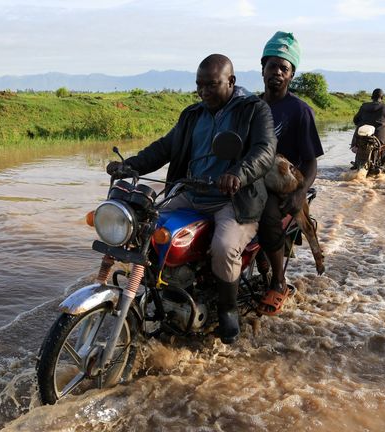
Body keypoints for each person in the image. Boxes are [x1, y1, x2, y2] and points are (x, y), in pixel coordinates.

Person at [106, 54, 277, 344]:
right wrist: (130, 166)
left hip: (233, 199)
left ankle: (227, 309)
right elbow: (165, 148)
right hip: (191, 192)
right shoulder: (192, 115)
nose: (204, 92)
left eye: (212, 85)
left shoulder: (254, 110)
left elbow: (265, 150)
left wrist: (238, 173)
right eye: (200, 85)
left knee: (223, 248)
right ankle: (158, 291)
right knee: (144, 229)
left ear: (231, 81)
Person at [256, 31, 324, 315]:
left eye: (284, 68)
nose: (277, 73)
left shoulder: (300, 111)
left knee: (269, 216)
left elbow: (311, 163)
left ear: (291, 75)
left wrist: (300, 193)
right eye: (272, 66)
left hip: (281, 185)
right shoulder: (252, 106)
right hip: (251, 178)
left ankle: (279, 282)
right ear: (262, 69)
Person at [352, 88, 385, 171]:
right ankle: (383, 166)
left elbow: (355, 120)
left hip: (360, 137)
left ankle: (357, 163)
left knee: (360, 143)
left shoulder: (364, 106)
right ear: (382, 97)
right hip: (380, 138)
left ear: (371, 97)